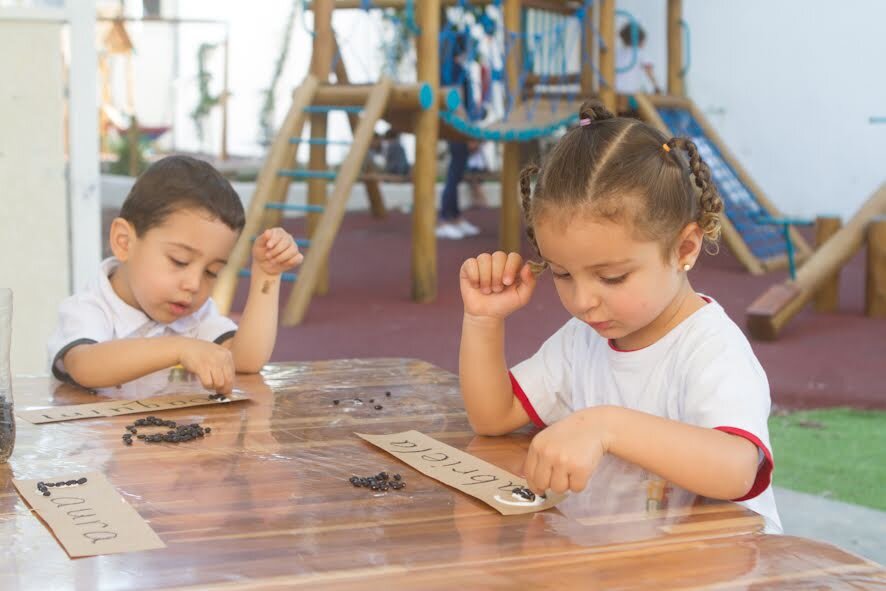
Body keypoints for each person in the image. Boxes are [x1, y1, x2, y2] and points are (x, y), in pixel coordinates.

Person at [457, 101, 782, 533]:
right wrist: (482, 320)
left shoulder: (710, 349)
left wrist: (606, 425)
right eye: (562, 274)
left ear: (685, 248)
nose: (584, 301)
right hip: (621, 566)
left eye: (612, 277)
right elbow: (493, 417)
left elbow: (737, 468)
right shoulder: (581, 340)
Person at [48, 155, 303, 395]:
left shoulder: (195, 317)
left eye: (211, 272)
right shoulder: (89, 309)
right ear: (124, 242)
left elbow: (245, 360)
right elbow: (85, 365)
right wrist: (180, 348)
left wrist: (267, 277)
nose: (193, 284)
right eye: (179, 261)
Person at [437, 31, 483, 240]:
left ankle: (454, 216)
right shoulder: (453, 69)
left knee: (457, 170)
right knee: (454, 173)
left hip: (457, 125)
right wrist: (469, 133)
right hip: (457, 126)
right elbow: (457, 103)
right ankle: (446, 218)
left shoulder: (451, 68)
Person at [615, 22, 661, 95]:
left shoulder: (616, 52)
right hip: (630, 92)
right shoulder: (640, 53)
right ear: (640, 41)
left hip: (615, 90)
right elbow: (649, 72)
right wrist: (657, 87)